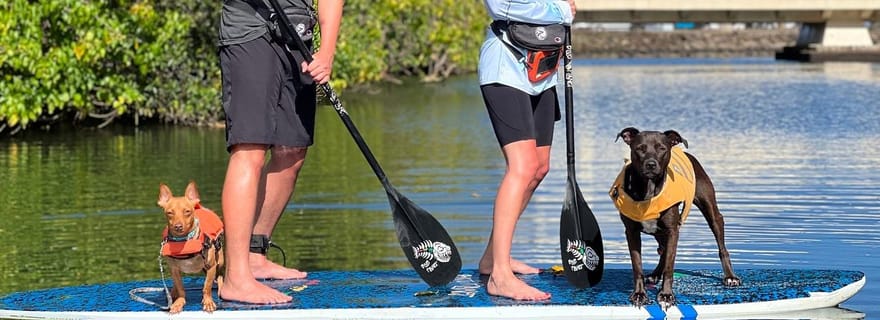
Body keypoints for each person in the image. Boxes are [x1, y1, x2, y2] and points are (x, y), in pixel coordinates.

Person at [216, 0, 343, 304]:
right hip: (250, 31)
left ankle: (254, 254)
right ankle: (236, 277)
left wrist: (326, 52)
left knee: (292, 149)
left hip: (297, 36)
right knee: (251, 149)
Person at [476, 0, 576, 301]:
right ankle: (500, 277)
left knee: (538, 168)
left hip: (542, 71)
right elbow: (501, 6)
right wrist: (559, 10)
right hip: (505, 69)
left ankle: (492, 259)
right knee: (520, 167)